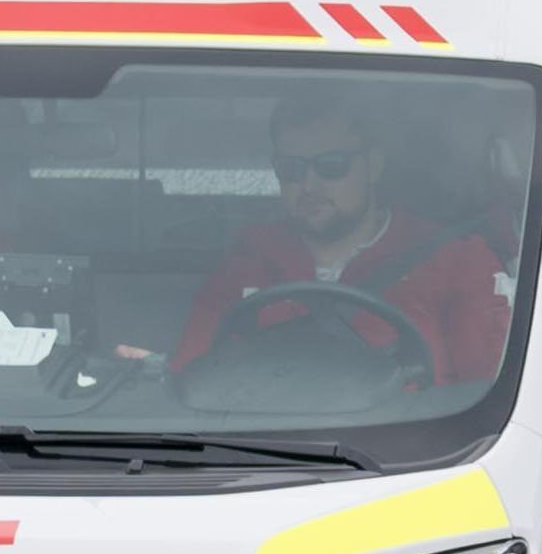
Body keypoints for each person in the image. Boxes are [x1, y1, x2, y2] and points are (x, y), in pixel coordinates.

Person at [176, 91, 508, 386]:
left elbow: (486, 392)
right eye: (291, 169)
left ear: (373, 166)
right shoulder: (248, 258)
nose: (309, 185)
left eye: (331, 166)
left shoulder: (454, 259)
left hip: (411, 453)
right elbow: (191, 379)